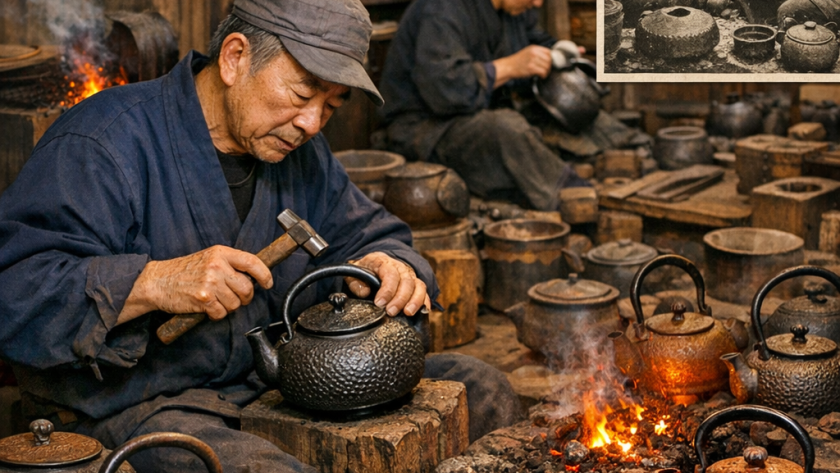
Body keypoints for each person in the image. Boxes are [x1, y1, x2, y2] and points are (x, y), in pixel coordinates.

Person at [0, 0, 523, 471]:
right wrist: (154, 282)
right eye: (301, 93)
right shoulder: (101, 143)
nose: (312, 123)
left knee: (482, 389)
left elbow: (368, 230)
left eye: (332, 106)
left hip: (271, 384)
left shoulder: (299, 152)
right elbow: (15, 290)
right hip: (142, 408)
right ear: (234, 58)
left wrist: (390, 264)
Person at [379, 0, 647, 211]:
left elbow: (532, 37)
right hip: (426, 129)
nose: (539, 3)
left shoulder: (512, 10)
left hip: (478, 113)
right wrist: (509, 67)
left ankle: (638, 151)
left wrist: (557, 49)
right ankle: (573, 196)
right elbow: (444, 92)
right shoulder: (441, 9)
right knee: (506, 127)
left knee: (571, 112)